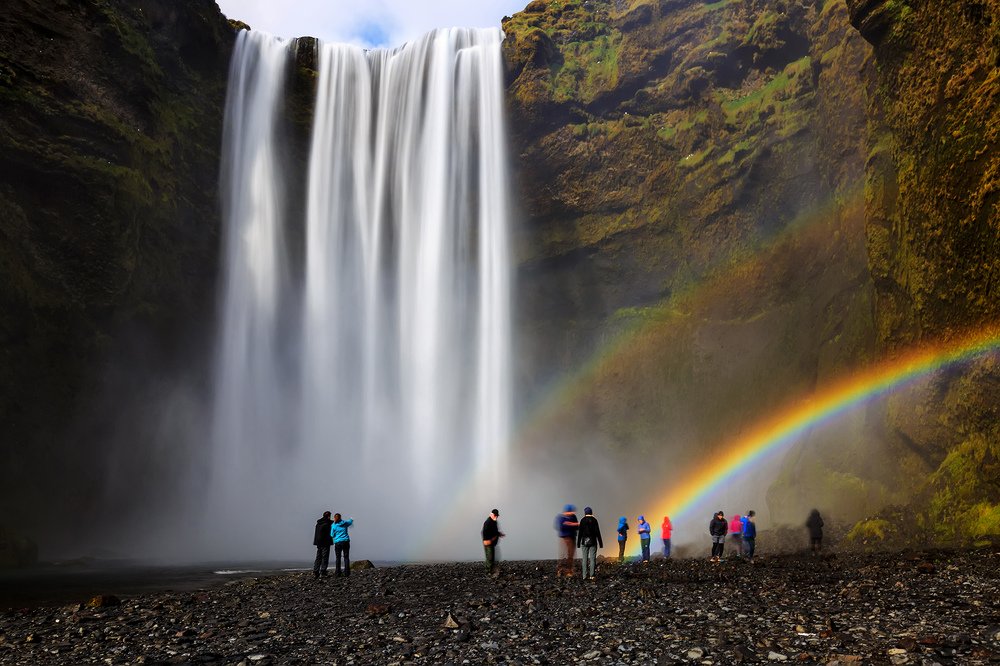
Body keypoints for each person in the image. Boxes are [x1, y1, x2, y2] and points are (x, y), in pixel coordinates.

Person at [576, 507, 603, 580]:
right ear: (591, 512)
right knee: (593, 559)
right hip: (593, 542)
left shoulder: (582, 520)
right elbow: (598, 532)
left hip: (584, 542)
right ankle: (592, 576)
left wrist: (578, 543)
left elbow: (580, 533)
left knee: (584, 559)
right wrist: (600, 543)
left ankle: (584, 576)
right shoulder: (594, 520)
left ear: (585, 512)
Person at [554, 504, 580, 577]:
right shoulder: (561, 517)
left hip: (572, 537)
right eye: (571, 512)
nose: (572, 513)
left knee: (571, 554)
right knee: (563, 554)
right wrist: (572, 524)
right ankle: (560, 570)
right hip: (565, 538)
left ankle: (569, 571)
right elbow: (560, 526)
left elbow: (577, 526)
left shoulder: (573, 517)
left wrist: (571, 524)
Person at [481, 509, 505, 575]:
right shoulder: (488, 522)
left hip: (492, 543)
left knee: (492, 558)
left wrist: (499, 534)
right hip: (488, 543)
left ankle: (490, 571)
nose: (496, 517)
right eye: (495, 515)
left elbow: (495, 531)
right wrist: (486, 540)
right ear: (491, 514)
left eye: (497, 516)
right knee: (490, 558)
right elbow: (484, 532)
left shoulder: (494, 522)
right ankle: (488, 573)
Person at [312, 510, 333, 579]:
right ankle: (323, 571)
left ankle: (316, 571)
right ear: (328, 516)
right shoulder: (327, 523)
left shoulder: (318, 523)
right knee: (325, 557)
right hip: (325, 542)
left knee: (318, 557)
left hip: (318, 543)